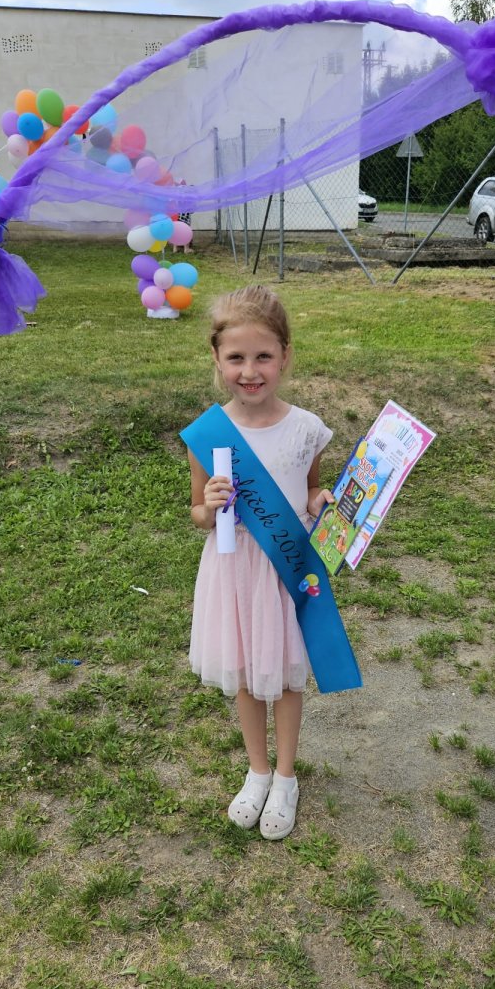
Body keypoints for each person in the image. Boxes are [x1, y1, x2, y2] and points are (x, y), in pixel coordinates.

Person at [187, 285, 334, 840]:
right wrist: (209, 507)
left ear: (285, 355)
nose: (250, 371)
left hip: (286, 570)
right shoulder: (208, 434)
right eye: (236, 358)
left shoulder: (306, 428)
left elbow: (311, 489)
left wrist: (319, 501)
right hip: (234, 570)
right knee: (247, 671)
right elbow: (197, 513)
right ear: (217, 358)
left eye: (263, 356)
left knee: (287, 674)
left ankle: (287, 778)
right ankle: (257, 771)